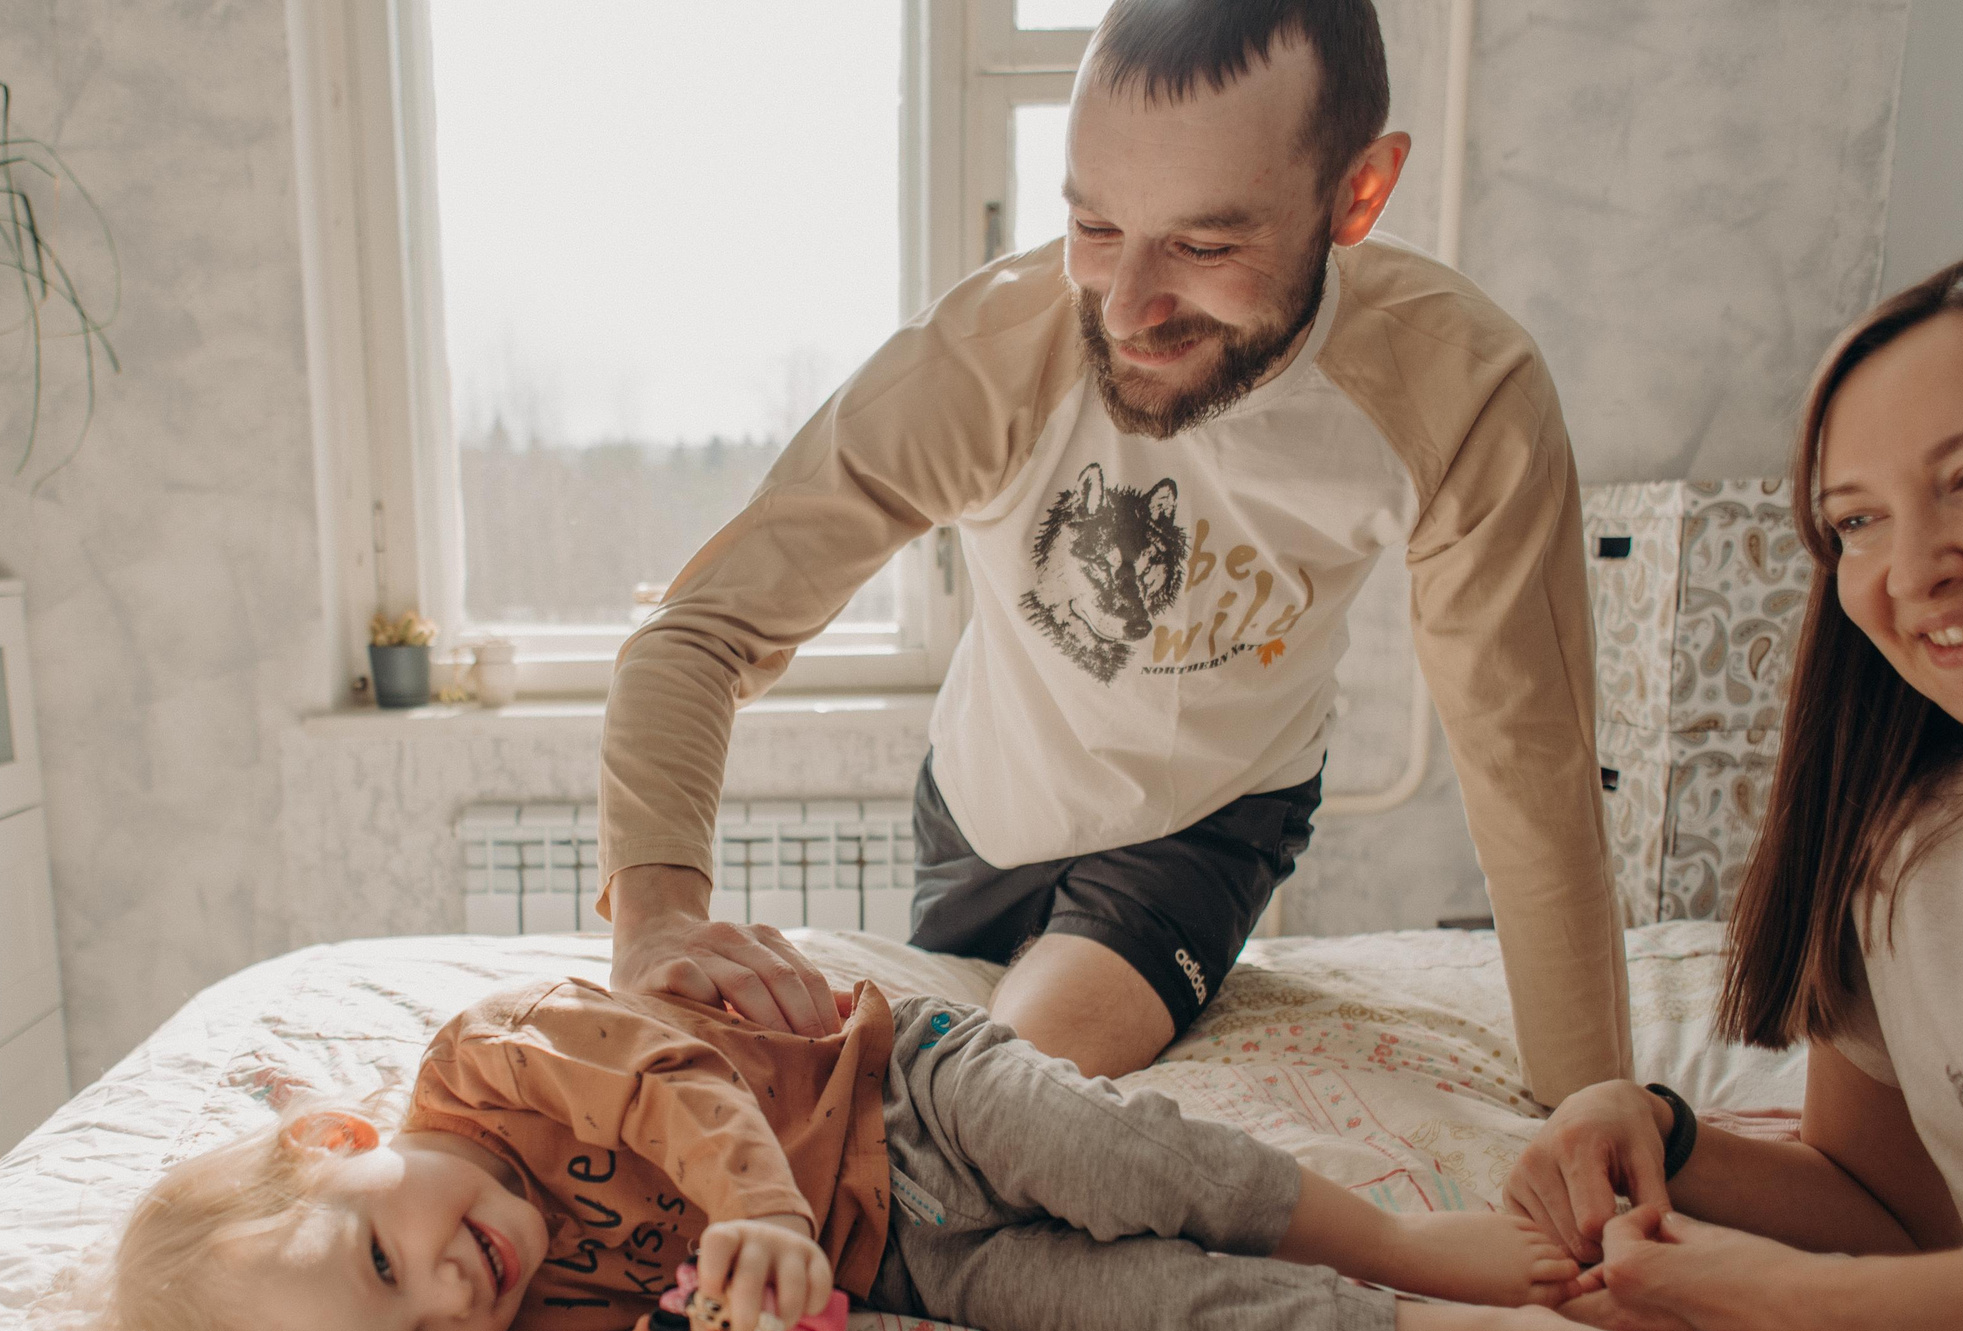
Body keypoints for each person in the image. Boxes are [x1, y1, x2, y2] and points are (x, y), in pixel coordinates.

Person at [597, 0, 1628, 1104]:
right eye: (1094, 228)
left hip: (1210, 817)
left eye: (1204, 243)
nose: (1128, 309)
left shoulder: (1462, 394)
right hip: (981, 811)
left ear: (1357, 193)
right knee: (941, 1033)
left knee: (1009, 1074)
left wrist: (1596, 1106)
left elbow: (1532, 768)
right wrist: (658, 917)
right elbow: (700, 630)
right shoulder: (990, 355)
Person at [74, 978, 1740, 1331]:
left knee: (1123, 1161)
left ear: (341, 1136)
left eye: (384, 1250)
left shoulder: (491, 1061)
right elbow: (776, 1313)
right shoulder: (528, 1309)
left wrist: (754, 1209)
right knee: (1167, 1319)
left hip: (903, 1087)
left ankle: (1394, 1235)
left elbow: (676, 1080)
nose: (451, 1289)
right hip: (908, 1265)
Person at [1502, 241, 1963, 1331]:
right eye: (1853, 522)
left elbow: (1880, 1294)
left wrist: (1839, 1329)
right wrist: (1655, 1126)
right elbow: (1895, 1212)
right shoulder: (1911, 848)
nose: (1913, 568)